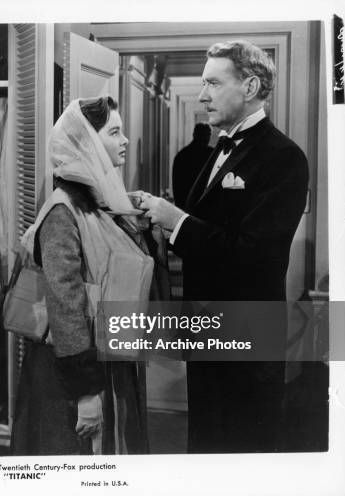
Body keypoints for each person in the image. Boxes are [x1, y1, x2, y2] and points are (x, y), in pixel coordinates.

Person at [139, 40, 309, 453]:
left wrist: (176, 220)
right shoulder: (220, 148)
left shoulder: (284, 157)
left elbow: (256, 257)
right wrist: (160, 228)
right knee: (205, 443)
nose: (202, 95)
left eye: (213, 83)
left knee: (243, 450)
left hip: (248, 339)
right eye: (202, 84)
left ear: (250, 87)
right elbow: (213, 233)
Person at [11, 96, 170, 456]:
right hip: (70, 373)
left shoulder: (102, 203)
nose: (125, 140)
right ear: (87, 144)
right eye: (114, 132)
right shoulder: (63, 211)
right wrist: (85, 394)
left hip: (106, 362)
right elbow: (65, 306)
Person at [171, 123, 213, 209]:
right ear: (195, 135)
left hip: (188, 205)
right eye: (203, 135)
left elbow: (177, 186)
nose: (206, 138)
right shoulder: (211, 154)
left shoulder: (182, 155)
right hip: (203, 206)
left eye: (207, 135)